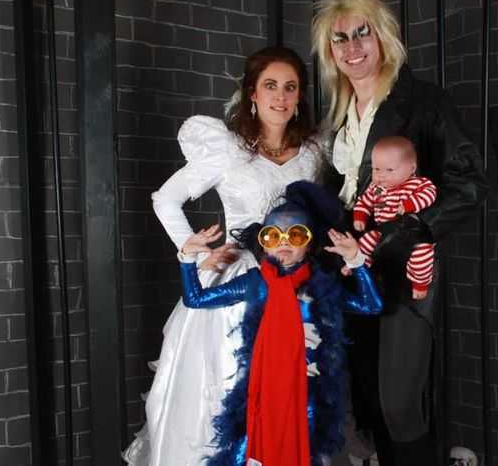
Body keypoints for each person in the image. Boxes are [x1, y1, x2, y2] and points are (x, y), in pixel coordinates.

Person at [122, 46, 327, 466]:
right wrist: (198, 254)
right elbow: (166, 199)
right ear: (252, 92)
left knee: (296, 401)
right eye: (270, 86)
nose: (281, 97)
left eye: (290, 87)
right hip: (240, 285)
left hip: (296, 286)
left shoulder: (314, 153)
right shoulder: (227, 149)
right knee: (227, 395)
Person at [312, 0, 487, 465]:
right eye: (339, 39)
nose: (352, 48)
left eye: (361, 34)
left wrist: (399, 233)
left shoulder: (423, 102)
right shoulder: (340, 114)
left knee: (400, 404)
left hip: (404, 276)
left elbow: (469, 185)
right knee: (368, 401)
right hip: (352, 274)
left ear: (383, 36)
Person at [177, 181, 382, 466]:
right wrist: (187, 258)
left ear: (309, 243)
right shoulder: (256, 282)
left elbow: (372, 306)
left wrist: (356, 261)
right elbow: (196, 300)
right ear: (263, 243)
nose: (283, 242)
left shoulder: (322, 285)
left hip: (309, 392)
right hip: (264, 390)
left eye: (295, 234)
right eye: (273, 236)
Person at [351, 136, 437, 300]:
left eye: (389, 170)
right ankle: (358, 267)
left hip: (413, 233)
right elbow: (365, 201)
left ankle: (420, 284)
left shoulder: (417, 184)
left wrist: (410, 204)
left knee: (422, 256)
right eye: (376, 169)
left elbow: (429, 194)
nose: (381, 176)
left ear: (412, 167)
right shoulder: (376, 187)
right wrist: (360, 216)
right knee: (366, 241)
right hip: (383, 230)